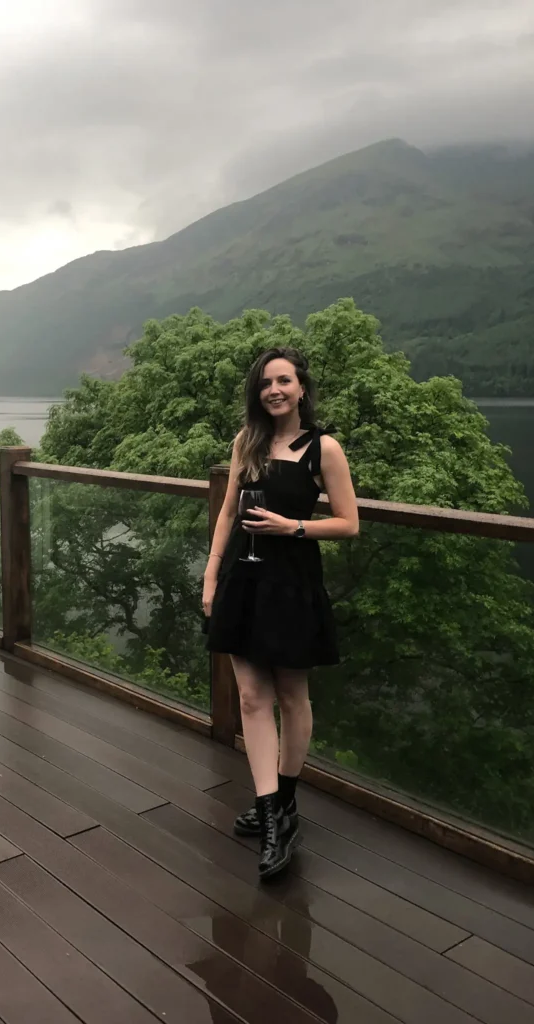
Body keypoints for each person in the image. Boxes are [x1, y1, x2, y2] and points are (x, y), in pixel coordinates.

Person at [203, 347, 359, 880]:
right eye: (265, 382)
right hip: (242, 581)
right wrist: (210, 574)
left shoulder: (324, 449)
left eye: (284, 381)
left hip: (292, 584)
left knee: (293, 696)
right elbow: (227, 511)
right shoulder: (247, 442)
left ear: (301, 388)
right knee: (250, 695)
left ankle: (284, 801)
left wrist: (291, 527)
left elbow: (348, 522)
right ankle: (273, 818)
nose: (274, 389)